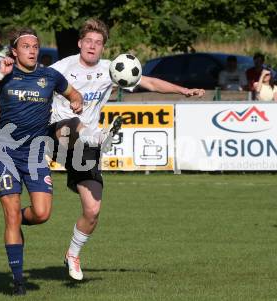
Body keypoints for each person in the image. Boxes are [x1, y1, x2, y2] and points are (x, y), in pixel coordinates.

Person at [48, 18, 205, 281]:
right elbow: (36, 85)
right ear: (79, 43)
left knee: (93, 209)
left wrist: (183, 90)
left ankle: (72, 255)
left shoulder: (112, 69)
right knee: (74, 124)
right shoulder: (61, 68)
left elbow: (151, 83)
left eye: (98, 43)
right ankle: (97, 137)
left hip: (86, 146)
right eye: (88, 41)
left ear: (103, 47)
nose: (92, 46)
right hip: (58, 134)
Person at [0, 28, 83, 295]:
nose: (32, 50)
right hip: (5, 152)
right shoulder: (4, 75)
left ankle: (15, 220)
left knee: (42, 213)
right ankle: (18, 280)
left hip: (35, 154)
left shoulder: (50, 76)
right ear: (14, 51)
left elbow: (74, 95)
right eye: (26, 46)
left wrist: (76, 102)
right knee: (10, 214)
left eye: (35, 46)